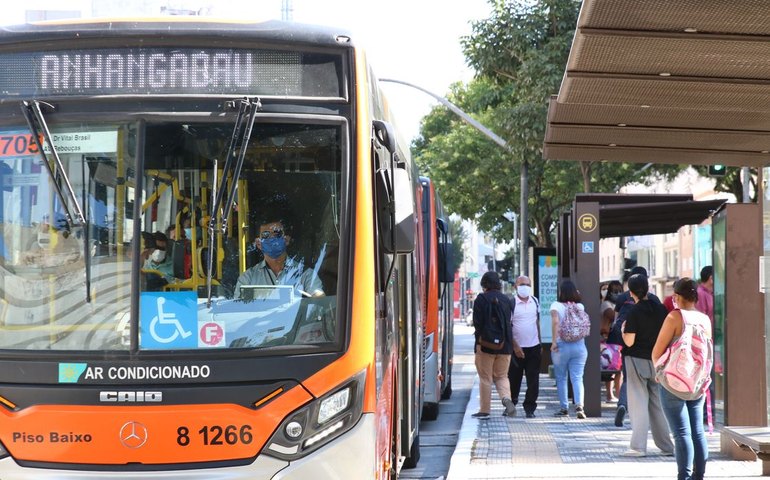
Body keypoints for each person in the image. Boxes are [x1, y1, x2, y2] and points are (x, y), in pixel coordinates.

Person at [653, 277, 712, 480]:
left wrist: (659, 373)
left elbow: (656, 352)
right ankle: (699, 476)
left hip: (673, 383)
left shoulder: (674, 317)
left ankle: (684, 477)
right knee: (697, 432)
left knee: (681, 434)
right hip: (697, 383)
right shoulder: (704, 319)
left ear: (676, 296)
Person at [619, 273, 674, 457]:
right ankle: (667, 446)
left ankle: (638, 447)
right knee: (657, 404)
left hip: (636, 360)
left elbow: (629, 341)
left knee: (638, 403)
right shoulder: (660, 309)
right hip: (657, 360)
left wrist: (622, 330)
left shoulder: (634, 311)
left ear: (631, 291)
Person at [610, 265, 661, 427]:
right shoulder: (656, 302)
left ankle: (623, 405)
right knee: (655, 395)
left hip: (632, 352)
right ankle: (664, 440)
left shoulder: (625, 301)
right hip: (653, 353)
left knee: (632, 385)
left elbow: (618, 324)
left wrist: (623, 332)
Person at [234, 216, 324, 300]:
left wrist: (316, 297)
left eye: (277, 234)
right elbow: (237, 311)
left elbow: (319, 300)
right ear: (258, 243)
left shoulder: (306, 275)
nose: (272, 238)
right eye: (266, 235)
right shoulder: (248, 279)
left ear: (286, 240)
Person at [471, 271, 517, 419]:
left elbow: (477, 324)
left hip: (485, 346)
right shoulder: (507, 300)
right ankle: (506, 399)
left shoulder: (481, 299)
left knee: (485, 378)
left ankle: (485, 410)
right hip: (505, 346)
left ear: (484, 284)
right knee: (502, 376)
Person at [550, 279, 588, 419]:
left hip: (562, 346)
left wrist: (554, 342)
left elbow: (555, 322)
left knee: (561, 378)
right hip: (579, 346)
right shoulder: (580, 306)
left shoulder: (556, 305)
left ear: (561, 292)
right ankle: (579, 405)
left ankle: (564, 407)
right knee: (577, 377)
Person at [507, 275, 541, 418]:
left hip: (533, 346)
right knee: (514, 379)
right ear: (515, 286)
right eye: (521, 284)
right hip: (517, 348)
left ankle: (530, 408)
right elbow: (508, 327)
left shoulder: (535, 301)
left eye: (527, 284)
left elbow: (537, 322)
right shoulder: (511, 303)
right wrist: (515, 346)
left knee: (533, 380)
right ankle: (511, 405)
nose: (525, 287)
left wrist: (540, 342)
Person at [600, 280, 623, 402]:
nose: (617, 294)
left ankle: (616, 394)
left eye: (619, 291)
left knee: (618, 368)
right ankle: (610, 394)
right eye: (614, 291)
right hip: (608, 339)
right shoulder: (606, 304)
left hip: (617, 339)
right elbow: (613, 316)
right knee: (611, 367)